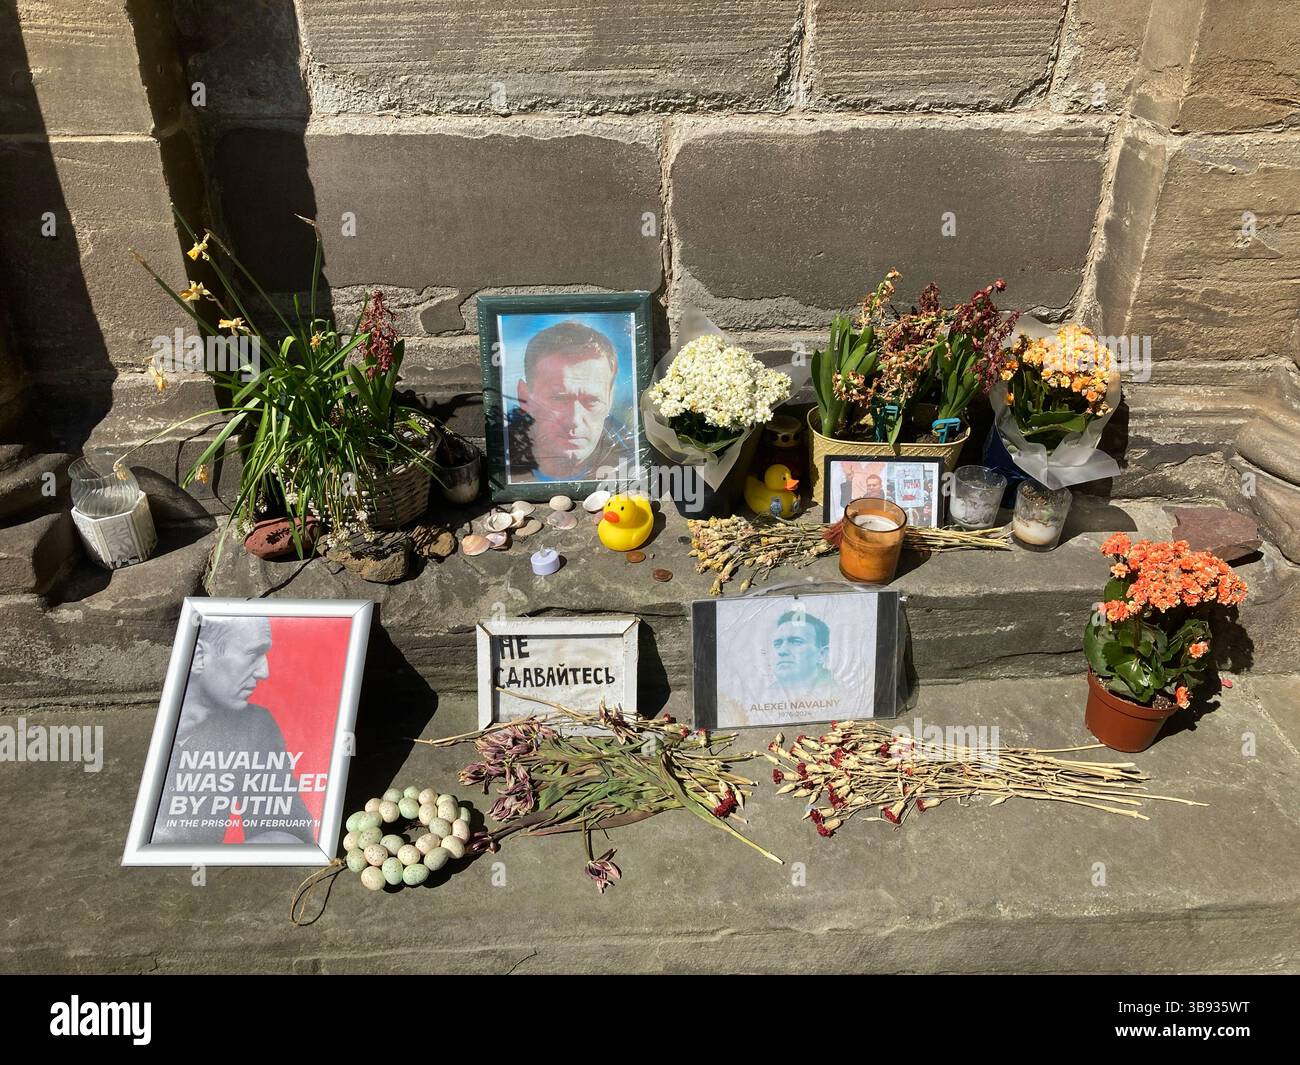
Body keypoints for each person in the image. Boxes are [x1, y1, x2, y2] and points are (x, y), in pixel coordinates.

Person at [151, 616, 316, 846]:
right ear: (199, 657)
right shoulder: (145, 730)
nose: (264, 671)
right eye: (252, 654)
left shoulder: (253, 725)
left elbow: (287, 831)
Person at [507, 320, 633, 482]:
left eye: (592, 401)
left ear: (610, 399)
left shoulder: (632, 470)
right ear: (524, 397)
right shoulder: (501, 460)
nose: (574, 420)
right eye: (558, 398)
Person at [769, 609, 838, 700]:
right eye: (777, 644)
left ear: (821, 654)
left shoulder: (844, 697)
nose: (782, 651)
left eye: (796, 642)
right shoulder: (763, 697)